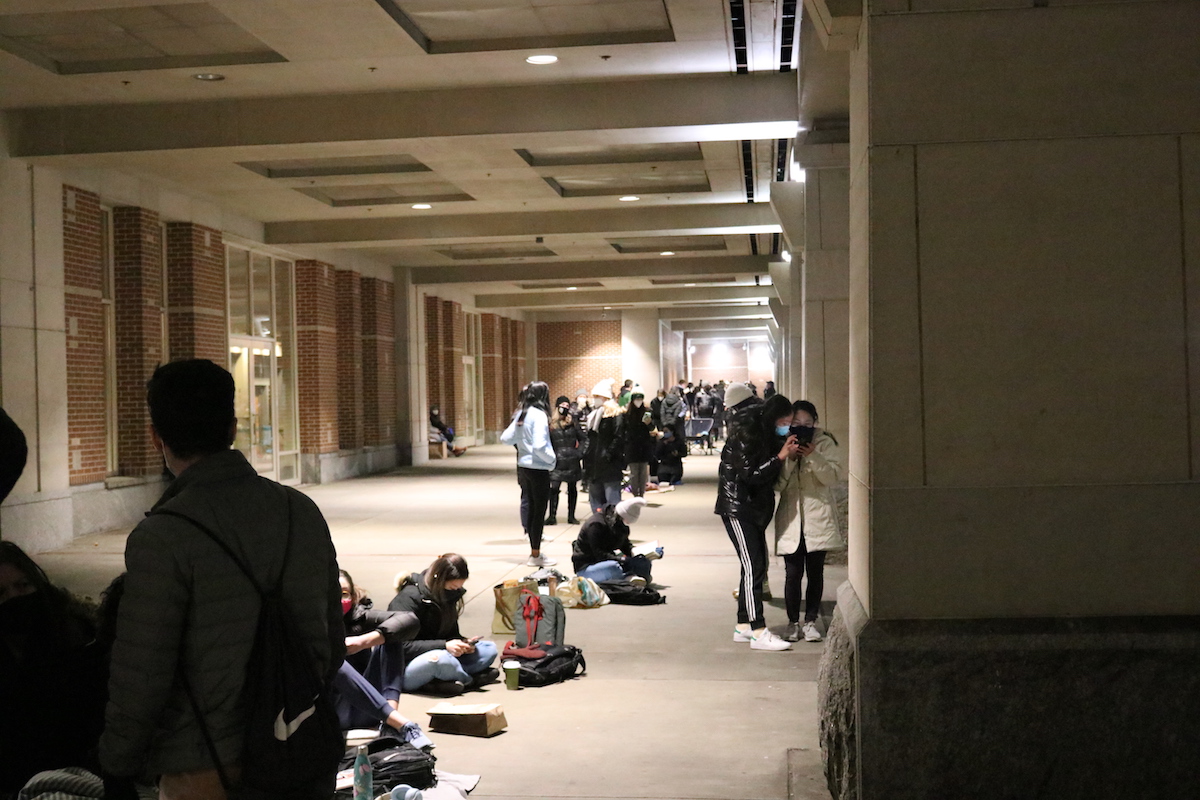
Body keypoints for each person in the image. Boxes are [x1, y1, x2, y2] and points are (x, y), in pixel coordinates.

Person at [99, 359, 345, 800]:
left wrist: (118, 763)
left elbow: (143, 673)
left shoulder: (163, 536)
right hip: (300, 750)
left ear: (157, 435)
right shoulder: (300, 511)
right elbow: (332, 639)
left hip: (205, 765)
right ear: (233, 428)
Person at [0, 542, 99, 794]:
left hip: (73, 777)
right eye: (0, 593)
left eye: (22, 586)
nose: (14, 598)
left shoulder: (74, 635)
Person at [715, 393, 799, 652]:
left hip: (754, 510)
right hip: (738, 507)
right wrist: (781, 456)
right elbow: (750, 474)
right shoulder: (747, 435)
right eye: (785, 421)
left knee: (753, 566)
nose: (787, 425)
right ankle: (758, 629)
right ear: (773, 417)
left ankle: (743, 625)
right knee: (754, 566)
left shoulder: (767, 435)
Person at [330, 569, 433, 749]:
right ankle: (401, 724)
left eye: (345, 594)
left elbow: (408, 620)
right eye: (333, 594)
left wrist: (364, 641)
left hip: (369, 709)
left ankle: (390, 721)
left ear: (353, 597)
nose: (340, 599)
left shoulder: (359, 617)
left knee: (391, 636)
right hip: (335, 711)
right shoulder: (313, 625)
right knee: (334, 658)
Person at [774, 401, 845, 643]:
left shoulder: (825, 442)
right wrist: (789, 457)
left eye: (808, 423)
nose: (803, 428)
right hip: (791, 517)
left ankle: (811, 621)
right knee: (792, 574)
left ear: (815, 422)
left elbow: (832, 477)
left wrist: (813, 455)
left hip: (818, 516)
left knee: (816, 572)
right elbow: (778, 485)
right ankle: (793, 622)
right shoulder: (783, 444)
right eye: (796, 424)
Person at [387, 554, 499, 697]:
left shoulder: (447, 596)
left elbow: (450, 634)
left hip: (440, 652)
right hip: (406, 667)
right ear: (438, 579)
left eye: (459, 587)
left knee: (488, 649)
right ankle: (470, 680)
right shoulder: (407, 599)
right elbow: (400, 647)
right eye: (453, 587)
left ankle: (441, 680)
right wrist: (444, 645)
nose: (455, 591)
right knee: (439, 660)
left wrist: (463, 643)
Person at [500, 381, 557, 567]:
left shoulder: (522, 413)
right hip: (539, 468)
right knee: (539, 512)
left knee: (532, 510)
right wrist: (552, 460)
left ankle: (535, 552)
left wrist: (522, 445)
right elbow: (540, 445)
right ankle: (535, 555)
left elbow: (506, 438)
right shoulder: (539, 415)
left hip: (524, 467)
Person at [571, 498, 656, 586]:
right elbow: (599, 554)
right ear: (619, 516)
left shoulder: (620, 524)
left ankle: (630, 576)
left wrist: (642, 553)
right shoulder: (596, 525)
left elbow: (625, 545)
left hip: (608, 560)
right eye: (626, 521)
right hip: (588, 566)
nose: (627, 524)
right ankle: (628, 577)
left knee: (643, 561)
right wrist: (622, 559)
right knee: (613, 567)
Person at [582, 379, 626, 513]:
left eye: (596, 397)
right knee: (596, 502)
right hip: (594, 465)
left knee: (612, 501)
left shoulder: (615, 414)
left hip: (609, 465)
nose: (594, 400)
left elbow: (619, 437)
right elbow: (590, 438)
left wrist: (608, 454)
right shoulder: (594, 415)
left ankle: (612, 529)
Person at [546, 396, 583, 526]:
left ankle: (571, 516)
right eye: (562, 405)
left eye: (567, 406)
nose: (565, 408)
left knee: (572, 488)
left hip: (572, 460)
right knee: (554, 488)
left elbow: (584, 438)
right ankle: (552, 515)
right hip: (557, 460)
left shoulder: (573, 422)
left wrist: (579, 453)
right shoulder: (551, 424)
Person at [624, 388, 656, 497]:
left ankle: (641, 494)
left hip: (644, 445)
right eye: (636, 399)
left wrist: (649, 423)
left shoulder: (647, 412)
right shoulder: (627, 414)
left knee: (643, 473)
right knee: (633, 473)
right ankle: (635, 494)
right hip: (632, 446)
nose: (638, 401)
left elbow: (652, 428)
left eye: (640, 399)